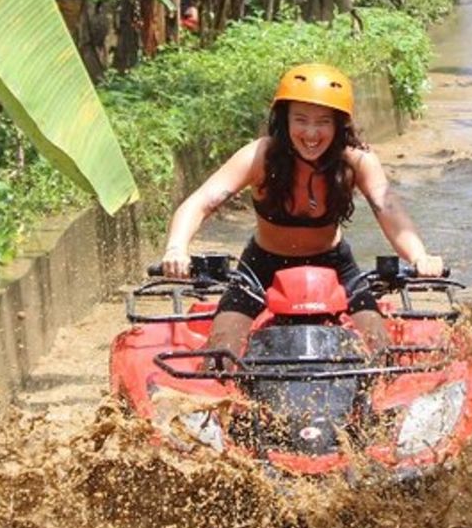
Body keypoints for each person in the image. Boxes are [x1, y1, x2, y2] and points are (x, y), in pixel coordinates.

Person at [161, 63, 444, 357]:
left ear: (339, 124)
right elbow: (201, 202)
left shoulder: (357, 161)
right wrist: (176, 249)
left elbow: (387, 206)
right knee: (221, 352)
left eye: (323, 121)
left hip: (335, 267)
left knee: (380, 347)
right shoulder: (260, 156)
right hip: (262, 268)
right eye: (301, 120)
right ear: (284, 121)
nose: (311, 133)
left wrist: (419, 256)